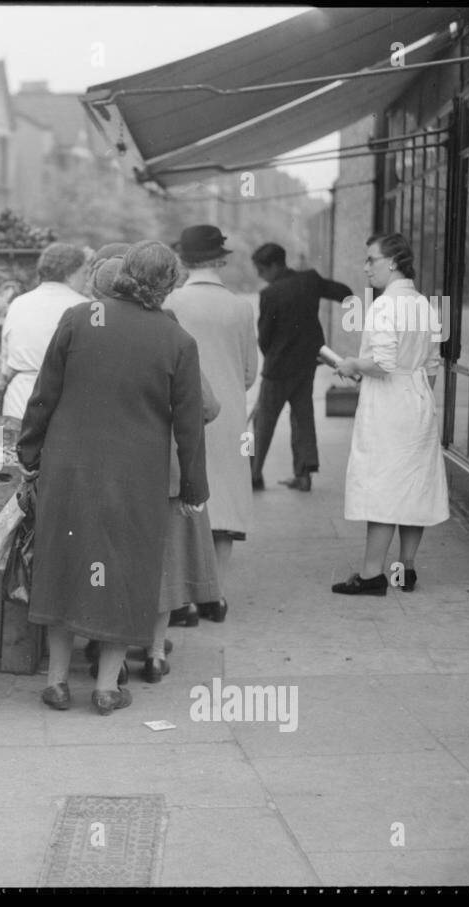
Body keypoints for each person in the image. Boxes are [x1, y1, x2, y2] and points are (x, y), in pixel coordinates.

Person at [19, 241, 208, 715]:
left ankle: (57, 683)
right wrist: (193, 490)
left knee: (64, 564)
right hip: (136, 476)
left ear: (123, 273)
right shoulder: (177, 340)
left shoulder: (81, 319)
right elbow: (189, 426)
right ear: (167, 284)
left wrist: (29, 452)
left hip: (70, 469)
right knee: (126, 573)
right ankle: (106, 688)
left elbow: (44, 394)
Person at [85, 256, 222, 683]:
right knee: (163, 562)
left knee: (110, 561)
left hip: (105, 469)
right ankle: (156, 651)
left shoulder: (89, 331)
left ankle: (112, 654)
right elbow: (207, 406)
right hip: (166, 471)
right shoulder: (172, 333)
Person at [333, 233, 449, 595]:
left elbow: (381, 363)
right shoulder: (426, 305)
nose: (366, 267)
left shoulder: (385, 305)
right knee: (414, 485)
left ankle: (371, 575)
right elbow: (432, 365)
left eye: (372, 260)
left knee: (383, 486)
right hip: (418, 401)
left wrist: (351, 363)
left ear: (393, 262)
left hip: (388, 405)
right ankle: (406, 568)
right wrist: (417, 396)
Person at [164, 225, 257, 625]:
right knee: (226, 503)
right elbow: (251, 371)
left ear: (183, 260)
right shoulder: (240, 307)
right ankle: (214, 594)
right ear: (221, 259)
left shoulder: (171, 302)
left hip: (180, 412)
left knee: (184, 500)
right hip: (231, 412)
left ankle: (182, 597)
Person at [249, 242, 353, 492]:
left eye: (261, 269)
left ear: (274, 265)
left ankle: (253, 475)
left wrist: (273, 355)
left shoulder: (270, 294)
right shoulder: (310, 280)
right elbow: (345, 292)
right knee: (303, 418)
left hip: (277, 368)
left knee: (261, 423)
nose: (259, 275)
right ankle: (304, 475)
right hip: (307, 363)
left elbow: (264, 336)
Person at [0, 242, 90, 423]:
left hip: (18, 403)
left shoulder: (18, 303)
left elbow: (5, 366)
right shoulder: (86, 307)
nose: (86, 279)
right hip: (61, 405)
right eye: (84, 273)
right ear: (70, 275)